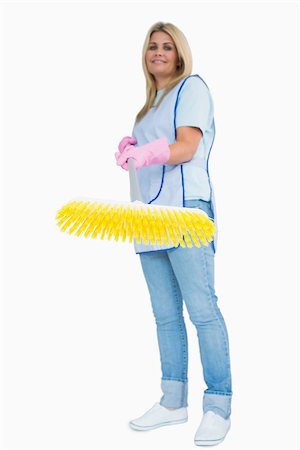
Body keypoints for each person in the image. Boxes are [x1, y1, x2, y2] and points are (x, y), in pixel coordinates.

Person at [115, 21, 233, 447]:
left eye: (167, 47)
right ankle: (172, 402)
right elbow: (146, 162)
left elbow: (185, 147)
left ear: (179, 54)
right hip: (147, 219)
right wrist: (132, 147)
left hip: (184, 213)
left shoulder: (192, 88)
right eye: (152, 47)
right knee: (165, 315)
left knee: (202, 311)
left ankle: (218, 404)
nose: (159, 53)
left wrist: (147, 152)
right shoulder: (147, 108)